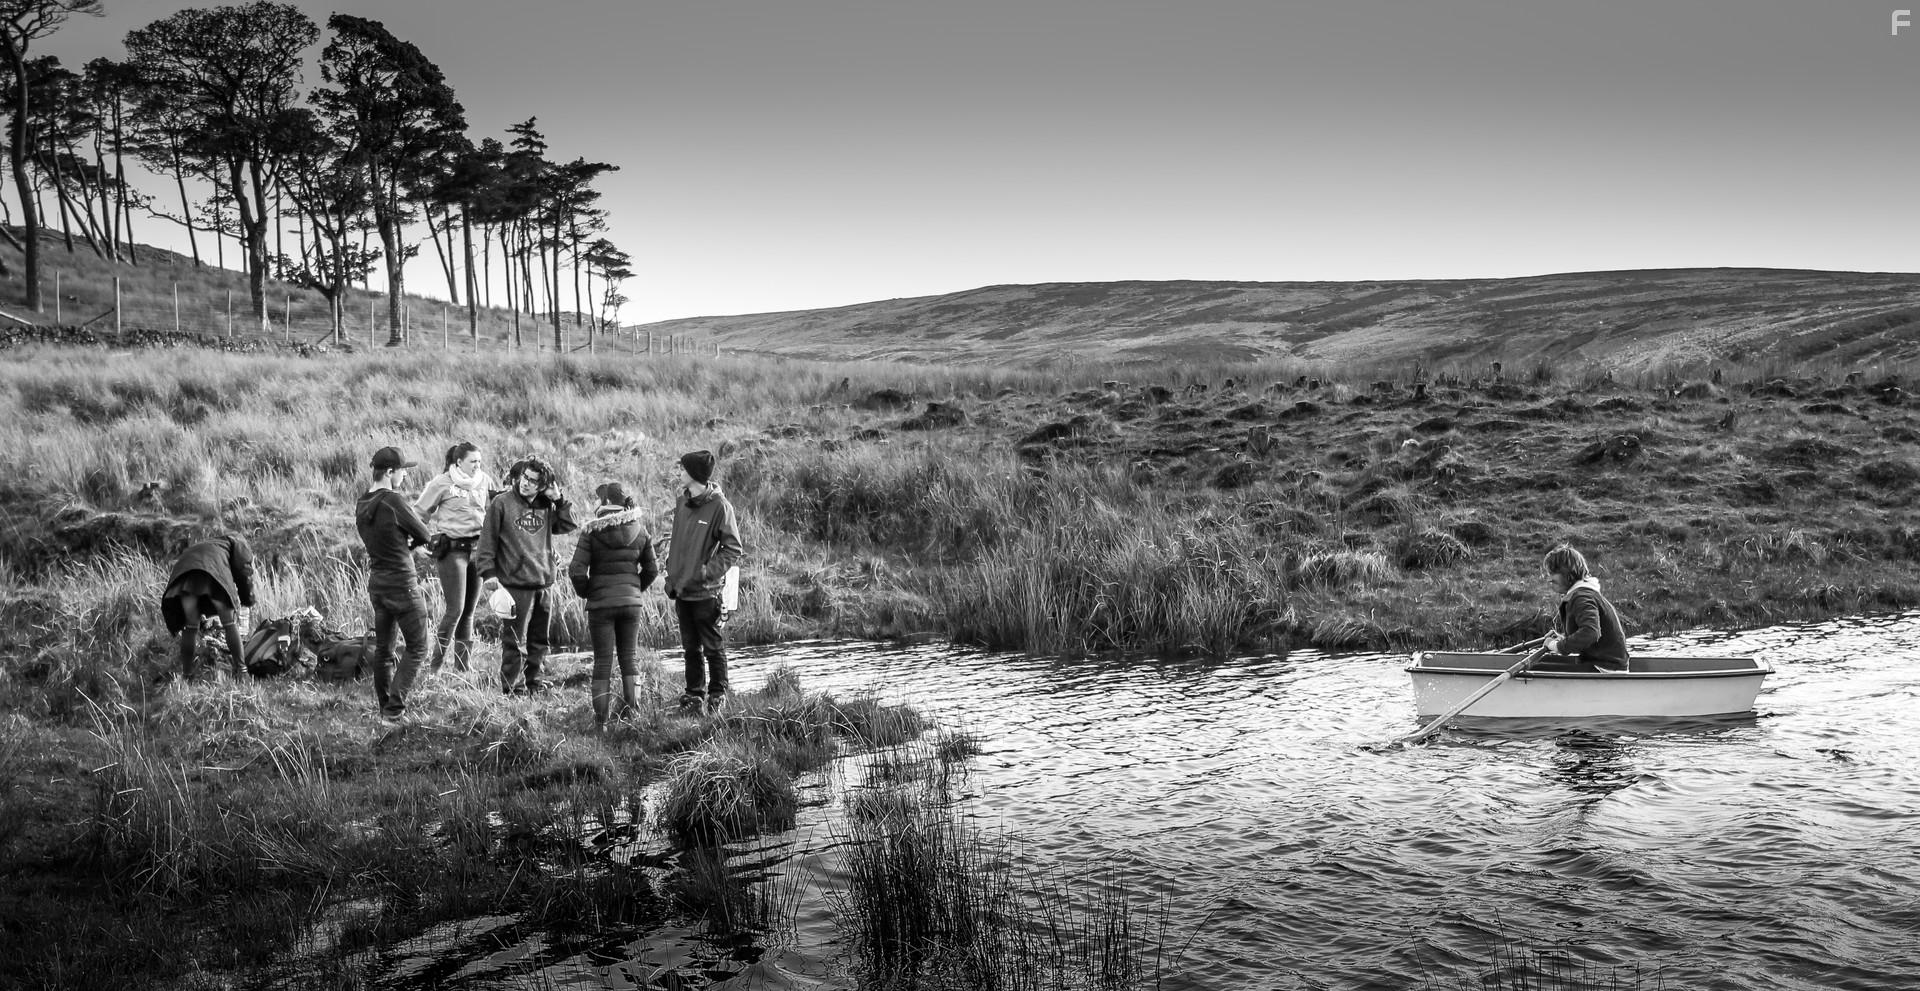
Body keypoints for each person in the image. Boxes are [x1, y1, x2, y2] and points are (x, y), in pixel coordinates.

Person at [475, 456, 576, 695]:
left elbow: (568, 525)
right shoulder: (501, 503)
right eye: (525, 477)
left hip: (544, 581)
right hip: (514, 583)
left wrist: (558, 499)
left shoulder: (547, 505)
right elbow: (486, 542)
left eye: (533, 481)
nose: (525, 483)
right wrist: (488, 574)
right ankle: (513, 688)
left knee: (539, 639)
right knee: (513, 640)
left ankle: (535, 682)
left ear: (543, 486)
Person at [568, 481, 659, 730]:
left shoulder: (591, 532)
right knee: (629, 657)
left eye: (598, 499)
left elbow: (576, 571)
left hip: (600, 606)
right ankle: (634, 718)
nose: (595, 503)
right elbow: (653, 569)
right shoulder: (640, 531)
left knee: (602, 661)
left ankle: (602, 724)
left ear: (607, 502)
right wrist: (634, 589)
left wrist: (589, 592)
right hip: (631, 604)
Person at [663, 450, 746, 714]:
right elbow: (676, 543)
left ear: (694, 474)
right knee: (690, 648)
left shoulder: (721, 507)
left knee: (712, 646)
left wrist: (706, 572)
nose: (678, 472)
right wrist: (671, 573)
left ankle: (718, 695)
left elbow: (733, 549)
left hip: (706, 593)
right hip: (681, 590)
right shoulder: (681, 502)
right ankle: (694, 695)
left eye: (682, 468)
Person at [355, 446, 434, 720]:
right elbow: (424, 533)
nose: (404, 476)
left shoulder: (362, 503)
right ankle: (394, 709)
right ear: (390, 472)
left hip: (378, 584)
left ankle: (384, 708)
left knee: (384, 651)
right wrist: (411, 544)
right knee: (419, 647)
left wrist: (404, 543)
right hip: (402, 583)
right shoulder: (393, 501)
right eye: (402, 471)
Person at [414, 441, 497, 674]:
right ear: (458, 462)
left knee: (469, 611)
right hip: (452, 552)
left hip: (477, 551)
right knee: (455, 609)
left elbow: (494, 511)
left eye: (479, 461)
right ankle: (435, 668)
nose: (477, 466)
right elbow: (418, 513)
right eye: (473, 462)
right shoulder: (442, 483)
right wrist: (420, 542)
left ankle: (463, 667)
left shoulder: (485, 481)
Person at [160, 533, 256, 681]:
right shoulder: (237, 542)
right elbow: (244, 571)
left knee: (190, 626)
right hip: (213, 573)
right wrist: (247, 599)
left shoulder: (209, 544)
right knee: (229, 623)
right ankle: (242, 672)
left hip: (185, 575)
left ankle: (187, 677)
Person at [1541, 544, 1631, 672]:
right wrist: (1562, 639)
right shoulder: (1583, 594)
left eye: (1553, 573)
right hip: (1605, 664)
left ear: (1568, 572)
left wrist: (1557, 646)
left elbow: (1591, 632)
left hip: (1605, 669)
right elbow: (1589, 635)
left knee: (1539, 668)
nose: (1549, 579)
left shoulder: (1581, 597)